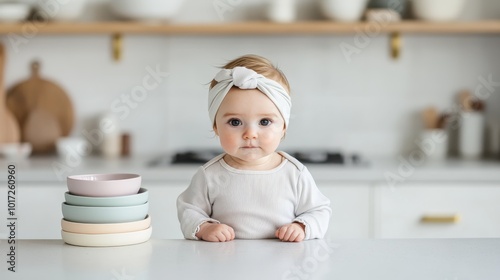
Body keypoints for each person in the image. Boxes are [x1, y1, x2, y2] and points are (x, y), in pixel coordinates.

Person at [177, 54, 331, 242]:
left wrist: (301, 226)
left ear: (283, 126)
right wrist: (204, 228)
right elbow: (188, 211)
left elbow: (319, 210)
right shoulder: (209, 176)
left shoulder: (295, 174)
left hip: (282, 265)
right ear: (216, 126)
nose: (250, 133)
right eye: (235, 122)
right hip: (224, 264)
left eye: (264, 122)